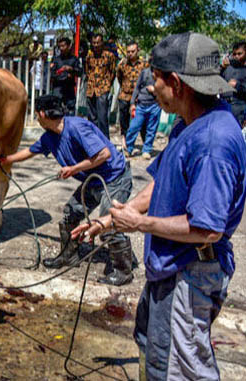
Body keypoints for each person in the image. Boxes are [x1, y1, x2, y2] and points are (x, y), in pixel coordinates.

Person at [72, 32, 246, 381]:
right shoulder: (191, 122)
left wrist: (138, 225)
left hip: (189, 273)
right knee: (151, 349)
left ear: (177, 83)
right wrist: (110, 220)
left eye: (154, 77)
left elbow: (207, 229)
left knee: (179, 370)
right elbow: (160, 184)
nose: (150, 87)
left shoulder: (214, 142)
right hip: (168, 267)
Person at [0, 95, 134, 286]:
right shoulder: (50, 137)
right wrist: (6, 160)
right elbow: (30, 152)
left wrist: (73, 169)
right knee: (71, 212)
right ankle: (68, 256)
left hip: (114, 179)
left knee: (109, 222)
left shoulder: (77, 127)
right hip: (91, 182)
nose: (36, 117)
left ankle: (123, 271)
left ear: (43, 114)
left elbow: (104, 154)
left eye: (37, 114)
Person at [125, 67, 161, 160]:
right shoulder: (145, 72)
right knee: (133, 127)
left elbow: (166, 89)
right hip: (141, 105)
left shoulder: (162, 74)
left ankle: (147, 150)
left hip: (155, 105)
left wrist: (155, 90)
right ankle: (128, 149)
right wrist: (132, 103)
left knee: (151, 130)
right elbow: (137, 87)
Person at [116, 41, 147, 149]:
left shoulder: (144, 64)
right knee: (124, 120)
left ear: (137, 51)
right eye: (128, 51)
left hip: (140, 97)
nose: (130, 54)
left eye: (132, 51)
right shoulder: (122, 64)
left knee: (142, 120)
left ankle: (145, 143)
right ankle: (125, 140)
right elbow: (119, 77)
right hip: (125, 95)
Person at [85, 33, 117, 138]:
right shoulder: (89, 56)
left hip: (103, 89)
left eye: (98, 42)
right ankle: (93, 141)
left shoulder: (109, 56)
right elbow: (87, 70)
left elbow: (113, 72)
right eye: (94, 43)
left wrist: (107, 84)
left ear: (102, 43)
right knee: (91, 118)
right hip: (91, 90)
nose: (96, 45)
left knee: (102, 118)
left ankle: (105, 142)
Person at [51, 36, 83, 115]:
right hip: (58, 89)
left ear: (68, 46)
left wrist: (71, 70)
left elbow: (80, 72)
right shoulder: (56, 59)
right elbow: (52, 73)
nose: (61, 48)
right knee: (56, 111)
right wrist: (62, 75)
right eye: (60, 46)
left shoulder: (74, 59)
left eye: (63, 46)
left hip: (69, 90)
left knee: (70, 112)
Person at [220, 41, 246, 127]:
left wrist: (237, 86)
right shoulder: (227, 67)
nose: (236, 57)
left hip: (239, 112)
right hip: (223, 109)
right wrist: (222, 68)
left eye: (239, 54)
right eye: (234, 54)